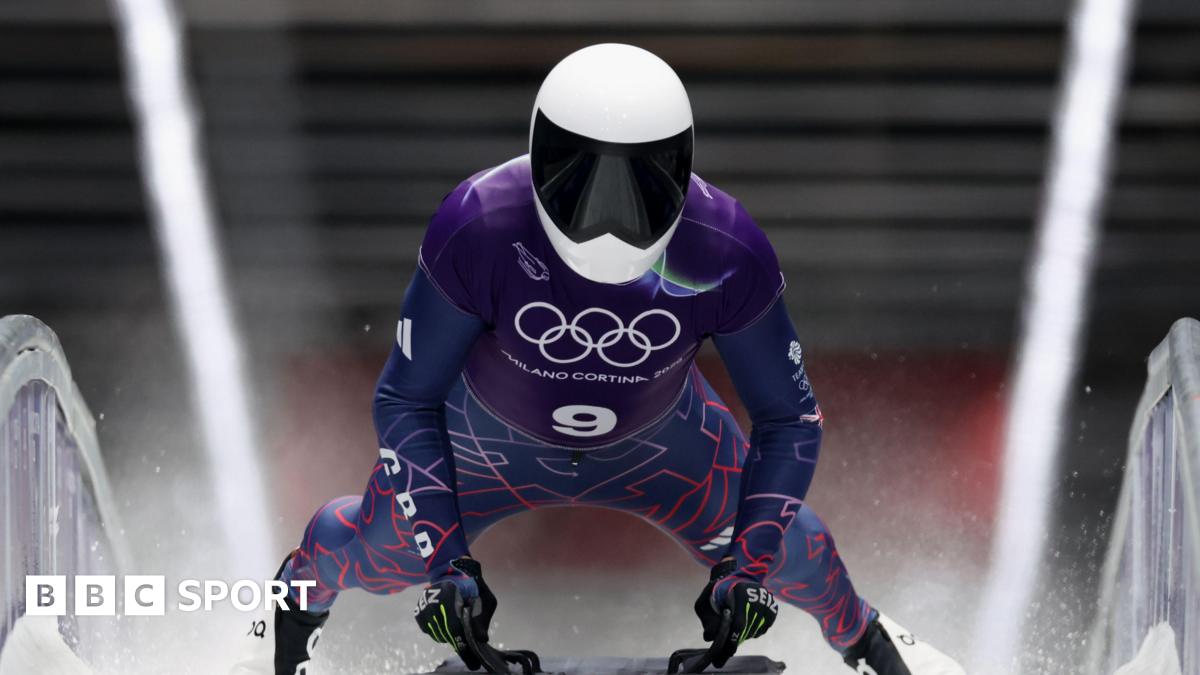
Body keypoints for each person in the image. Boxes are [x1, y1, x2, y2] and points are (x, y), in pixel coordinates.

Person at [232, 43, 967, 675]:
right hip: (500, 441)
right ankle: (284, 613)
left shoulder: (727, 247)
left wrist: (746, 569)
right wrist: (446, 563)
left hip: (647, 441)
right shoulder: (478, 224)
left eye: (641, 184)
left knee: (787, 550)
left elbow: (790, 419)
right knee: (380, 550)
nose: (608, 218)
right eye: (580, 180)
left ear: (681, 165)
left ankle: (872, 639)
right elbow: (405, 399)